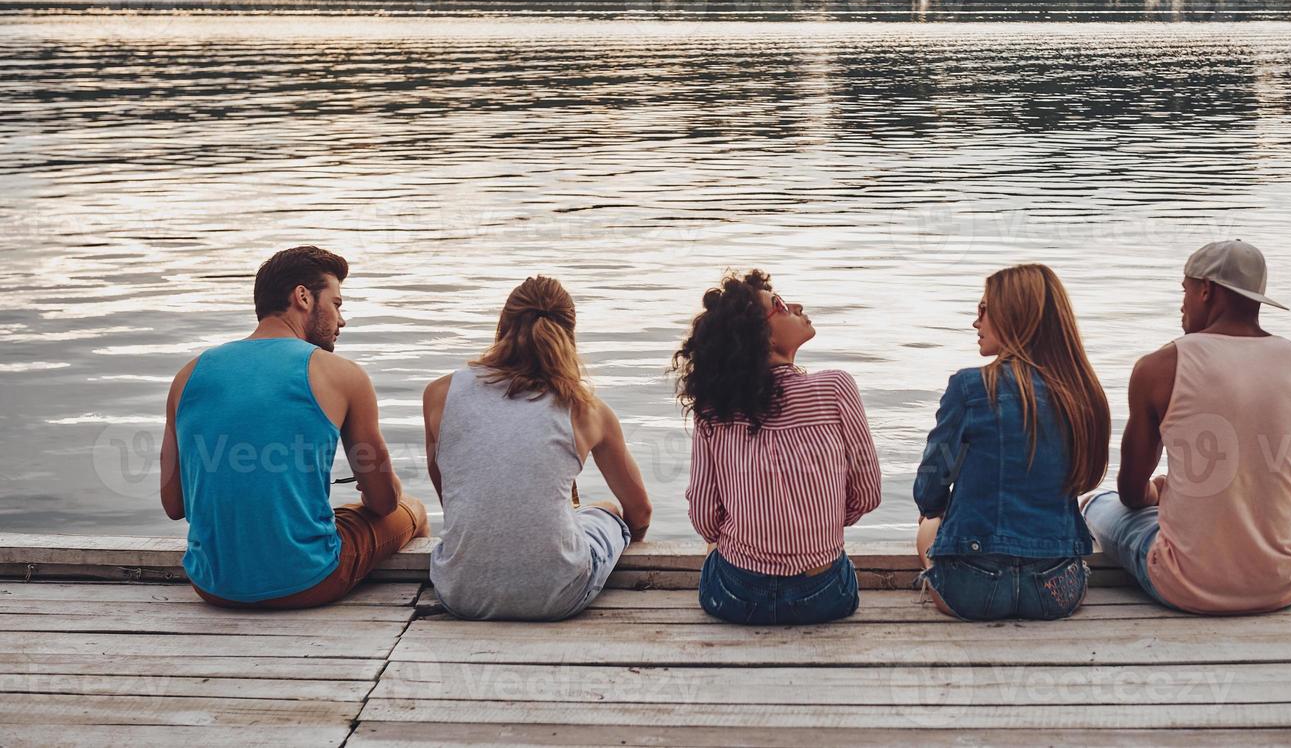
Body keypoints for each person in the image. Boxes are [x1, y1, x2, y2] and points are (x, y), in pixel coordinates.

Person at [161, 246, 429, 609]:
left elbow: (174, 504)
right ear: (302, 296)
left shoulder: (187, 375)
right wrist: (381, 485)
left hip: (211, 583)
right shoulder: (343, 375)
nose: (341, 320)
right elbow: (382, 503)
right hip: (309, 581)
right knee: (411, 509)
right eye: (337, 304)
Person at [1083, 240, 1291, 614]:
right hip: (1282, 584)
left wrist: (1159, 492)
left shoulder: (1159, 368)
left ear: (1206, 289)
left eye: (1184, 290)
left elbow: (1132, 494)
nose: (1182, 304)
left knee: (1096, 503)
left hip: (1184, 585)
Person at [424, 275, 652, 620]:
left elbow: (451, 495)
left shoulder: (440, 394)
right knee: (605, 509)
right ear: (570, 335)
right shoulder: (587, 409)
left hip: (459, 592)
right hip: (556, 597)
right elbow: (641, 512)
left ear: (502, 326)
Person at [675, 270, 882, 625]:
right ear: (763, 338)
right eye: (781, 306)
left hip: (737, 597)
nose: (797, 306)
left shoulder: (712, 409)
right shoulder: (836, 389)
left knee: (716, 548)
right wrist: (820, 520)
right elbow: (867, 495)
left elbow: (705, 519)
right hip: (824, 595)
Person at [913, 264, 1110, 620]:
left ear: (1015, 314)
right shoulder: (1083, 394)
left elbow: (931, 483)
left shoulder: (969, 388)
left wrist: (935, 508)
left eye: (984, 309)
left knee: (929, 526)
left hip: (972, 590)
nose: (977, 322)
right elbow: (1086, 478)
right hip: (1056, 591)